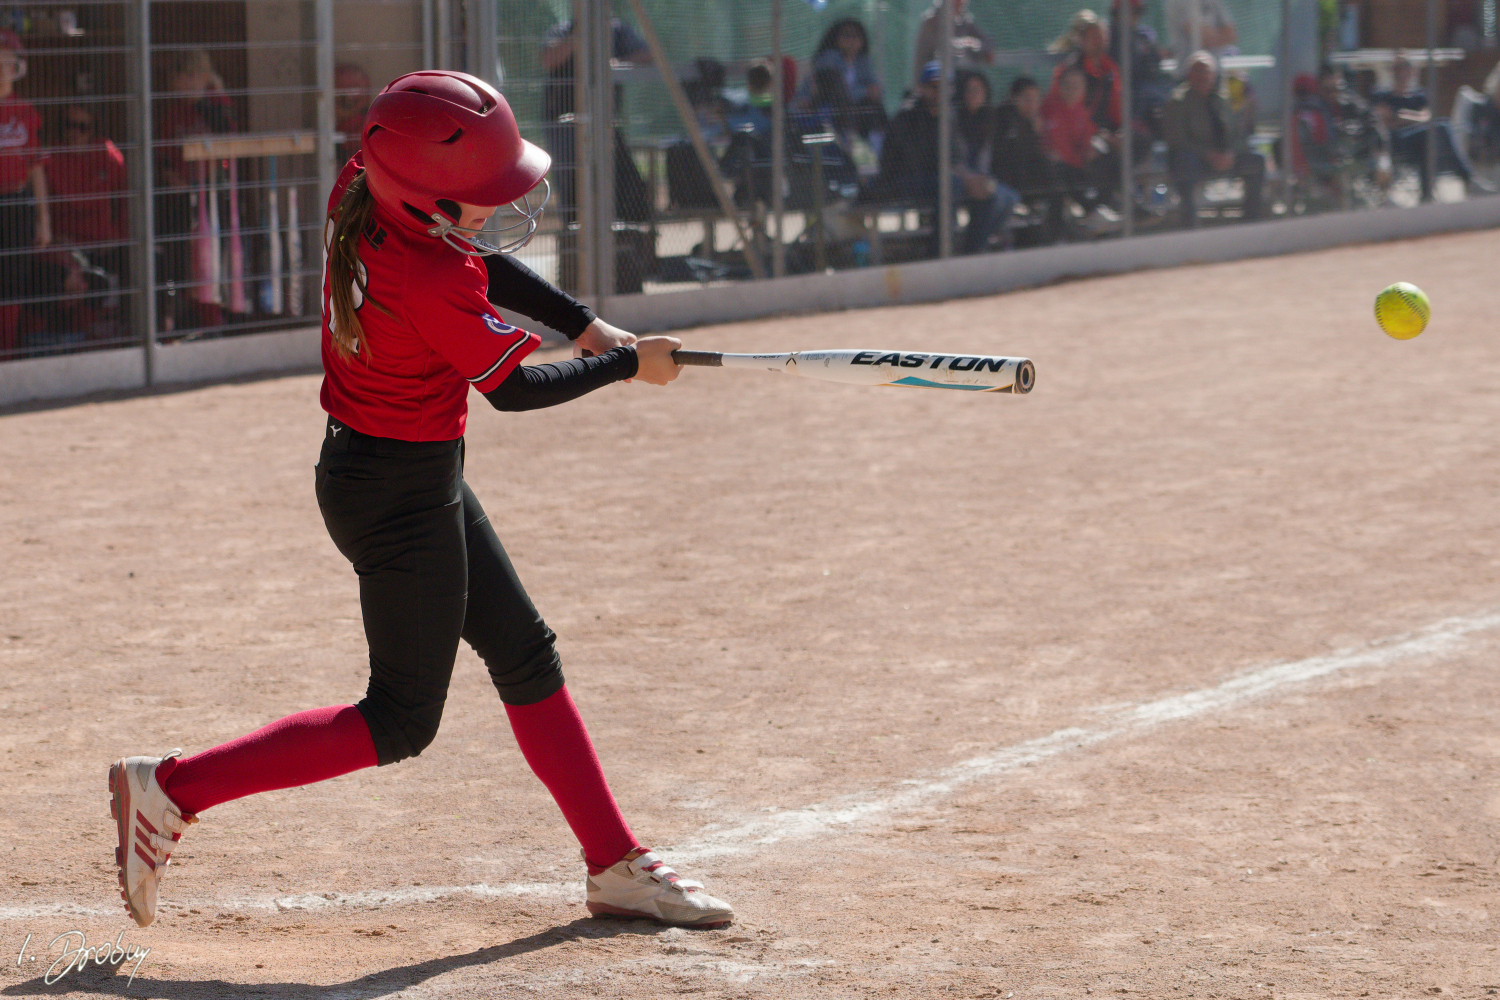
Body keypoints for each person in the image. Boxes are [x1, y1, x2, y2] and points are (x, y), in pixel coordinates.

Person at [108, 70, 734, 933]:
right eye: (479, 193)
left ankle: (614, 863)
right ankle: (173, 788)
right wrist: (625, 364)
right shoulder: (427, 274)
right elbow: (513, 391)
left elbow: (476, 258)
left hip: (398, 474)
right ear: (424, 195)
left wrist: (585, 325)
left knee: (525, 655)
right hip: (397, 495)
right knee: (401, 718)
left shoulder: (367, 187)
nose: (498, 204)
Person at [871, 62, 1016, 255]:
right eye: (933, 87)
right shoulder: (909, 115)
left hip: (937, 179)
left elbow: (955, 158)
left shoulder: (947, 117)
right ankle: (939, 251)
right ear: (922, 88)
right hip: (902, 181)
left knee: (992, 192)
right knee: (952, 184)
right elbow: (914, 164)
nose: (939, 93)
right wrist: (962, 178)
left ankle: (972, 251)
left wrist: (972, 179)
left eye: (944, 87)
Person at [154, 48, 237, 332]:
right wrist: (169, 174)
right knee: (183, 259)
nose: (172, 85)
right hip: (181, 197)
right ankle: (185, 322)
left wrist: (204, 98)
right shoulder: (175, 109)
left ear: (193, 77)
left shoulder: (216, 102)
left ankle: (214, 322)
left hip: (212, 196)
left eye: (177, 78)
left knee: (210, 260)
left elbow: (227, 137)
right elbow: (163, 151)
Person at [0, 29, 57, 355]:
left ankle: (8, 352)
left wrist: (43, 219)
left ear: (17, 67)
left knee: (12, 281)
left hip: (16, 202)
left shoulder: (26, 111)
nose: (1, 68)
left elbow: (36, 168)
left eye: (6, 61)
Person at [1161, 50, 1264, 224]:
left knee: (1256, 160)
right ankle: (1189, 221)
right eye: (1197, 71)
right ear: (1188, 75)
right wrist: (1208, 154)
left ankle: (1251, 218)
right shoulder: (1177, 102)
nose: (1203, 76)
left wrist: (1231, 153)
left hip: (1224, 157)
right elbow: (1177, 140)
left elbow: (1236, 133)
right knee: (1184, 162)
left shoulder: (1222, 100)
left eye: (1207, 71)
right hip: (1196, 158)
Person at [1370, 54, 1493, 199]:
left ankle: (1427, 194)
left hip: (1418, 140)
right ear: (1392, 71)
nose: (1401, 72)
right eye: (1397, 68)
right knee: (1441, 127)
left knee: (1431, 139)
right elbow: (1384, 119)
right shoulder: (1382, 95)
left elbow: (1426, 117)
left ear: (1412, 71)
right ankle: (1467, 179)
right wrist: (1412, 118)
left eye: (1405, 67)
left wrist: (1401, 116)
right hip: (1394, 142)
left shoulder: (1418, 96)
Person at [993, 76, 1063, 240]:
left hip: (1027, 177)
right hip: (1008, 179)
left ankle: (1056, 232)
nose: (1032, 104)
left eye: (1035, 100)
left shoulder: (1029, 122)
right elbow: (1009, 156)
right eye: (1027, 99)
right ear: (1014, 97)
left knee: (1059, 175)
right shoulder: (1004, 119)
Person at [796, 18, 886, 141]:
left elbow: (876, 90)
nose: (851, 41)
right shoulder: (829, 58)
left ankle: (877, 140)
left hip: (857, 110)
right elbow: (837, 90)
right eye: (847, 35)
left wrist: (869, 91)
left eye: (856, 36)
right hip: (828, 109)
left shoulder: (863, 61)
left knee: (872, 107)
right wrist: (865, 91)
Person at [912, 0, 996, 87]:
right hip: (931, 82)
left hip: (956, 82)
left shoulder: (964, 20)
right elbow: (942, 48)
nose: (960, 2)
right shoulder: (932, 21)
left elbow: (986, 44)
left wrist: (979, 48)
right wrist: (966, 44)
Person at [1165, 0, 1237, 63]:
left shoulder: (1214, 2)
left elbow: (1231, 35)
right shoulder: (1179, 2)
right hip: (1188, 71)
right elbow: (1203, 38)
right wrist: (1219, 35)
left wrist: (1210, 34)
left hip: (1215, 70)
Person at [334, 63, 372, 163]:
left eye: (355, 87)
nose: (349, 95)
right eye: (344, 88)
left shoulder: (365, 127)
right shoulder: (336, 127)